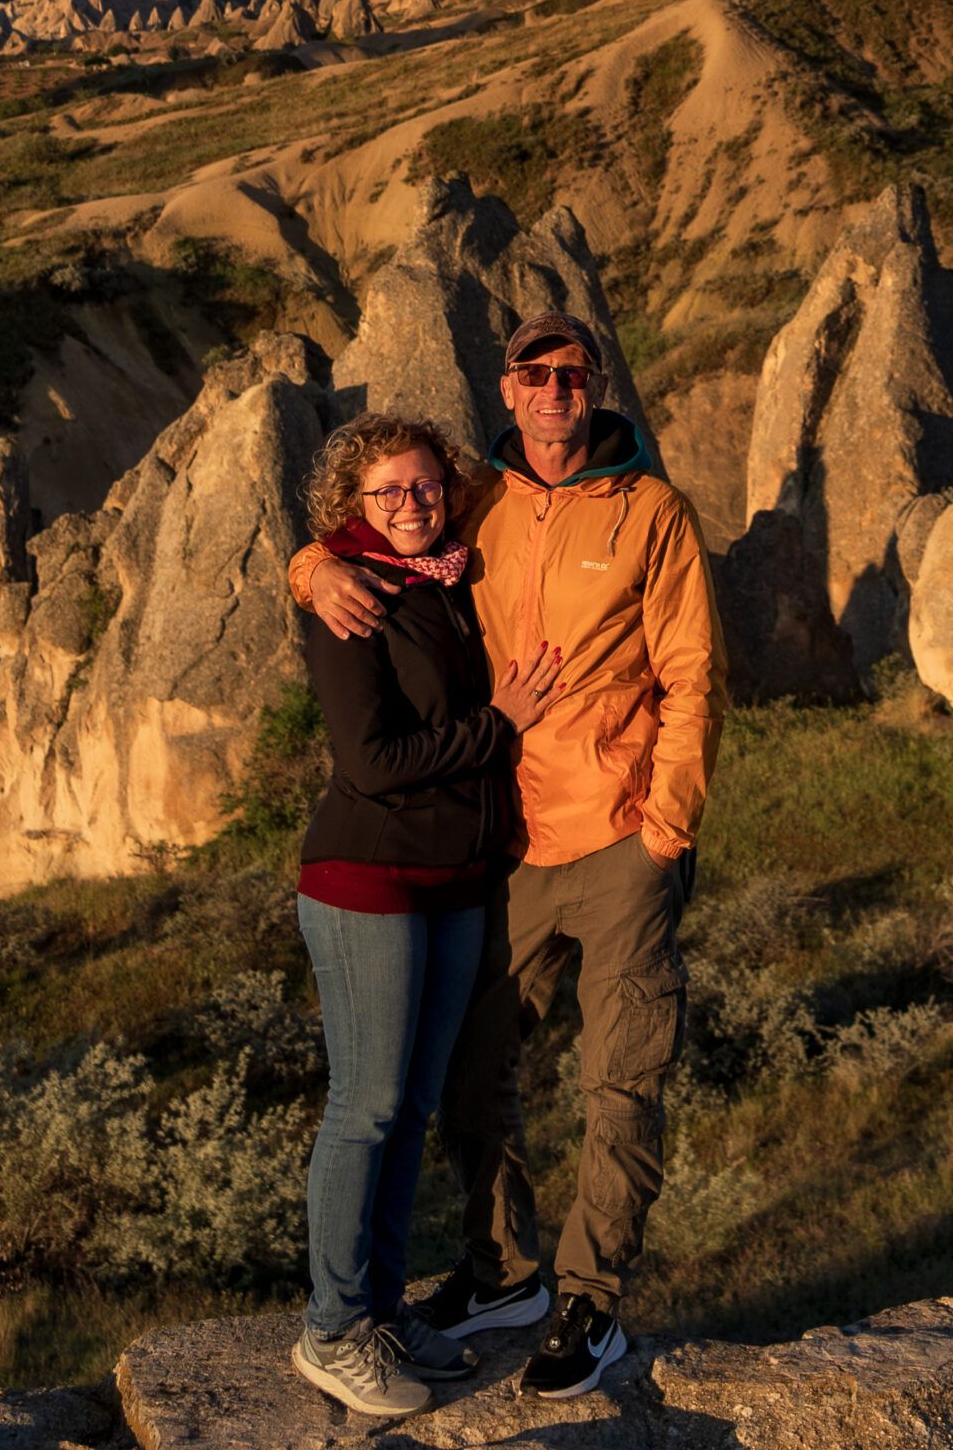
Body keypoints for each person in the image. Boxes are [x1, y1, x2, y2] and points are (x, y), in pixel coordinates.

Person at [293, 315, 726, 1399]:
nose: (551, 391)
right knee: (470, 1073)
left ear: (594, 387)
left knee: (619, 1077)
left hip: (622, 834)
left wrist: (665, 821)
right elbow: (372, 527)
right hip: (509, 845)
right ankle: (500, 1269)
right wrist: (309, 566)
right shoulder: (473, 497)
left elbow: (692, 671)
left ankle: (590, 1298)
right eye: (531, 374)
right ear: (508, 387)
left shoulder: (651, 512)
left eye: (569, 374)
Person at [290, 411, 567, 1420]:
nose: (409, 503)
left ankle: (377, 1312)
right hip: (370, 877)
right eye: (385, 491)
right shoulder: (349, 594)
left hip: (455, 881)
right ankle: (329, 1330)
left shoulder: (446, 579)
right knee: (363, 1108)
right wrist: (501, 726)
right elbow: (371, 762)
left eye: (422, 485)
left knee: (409, 1110)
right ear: (349, 508)